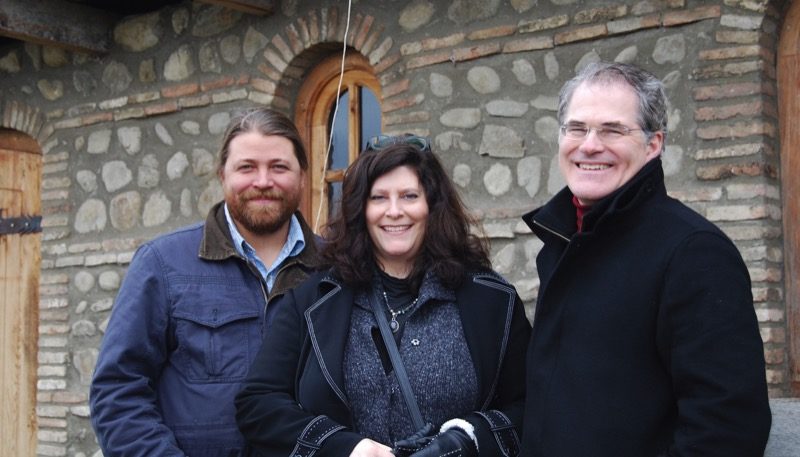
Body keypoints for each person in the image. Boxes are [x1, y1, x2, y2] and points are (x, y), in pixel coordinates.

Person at [520, 61, 771, 456]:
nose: (589, 145)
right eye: (577, 128)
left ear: (653, 145)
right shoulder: (563, 243)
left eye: (612, 130)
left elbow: (727, 430)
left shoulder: (695, 253)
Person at [235, 135, 531, 457]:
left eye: (409, 196)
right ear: (360, 209)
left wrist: (470, 436)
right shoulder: (313, 301)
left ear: (432, 205)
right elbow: (258, 403)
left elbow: (532, 405)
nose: (394, 211)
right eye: (378, 198)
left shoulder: (492, 301)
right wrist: (344, 447)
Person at [90, 108, 322, 457]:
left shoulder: (336, 267)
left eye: (279, 167)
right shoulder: (163, 264)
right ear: (222, 175)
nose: (263, 181)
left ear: (302, 176)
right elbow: (118, 389)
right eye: (247, 167)